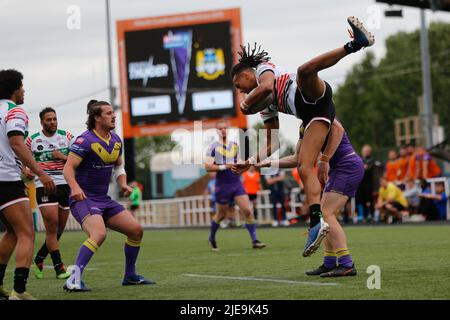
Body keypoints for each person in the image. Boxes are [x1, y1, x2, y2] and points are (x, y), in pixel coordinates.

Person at [232, 16, 374, 256]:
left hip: (311, 97)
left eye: (239, 84)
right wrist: (252, 160)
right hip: (313, 116)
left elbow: (266, 87)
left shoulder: (263, 68)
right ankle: (316, 221)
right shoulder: (267, 108)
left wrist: (246, 105)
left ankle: (354, 45)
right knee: (304, 166)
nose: (241, 90)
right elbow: (272, 142)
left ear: (247, 74)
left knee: (304, 71)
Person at [63, 100, 154, 292]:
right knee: (99, 234)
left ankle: (130, 276)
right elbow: (68, 168)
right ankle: (73, 279)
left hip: (103, 199)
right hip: (84, 198)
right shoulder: (84, 140)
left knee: (136, 230)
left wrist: (123, 184)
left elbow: (119, 166)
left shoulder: (116, 140)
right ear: (96, 117)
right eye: (108, 113)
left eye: (113, 112)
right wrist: (74, 187)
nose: (113, 116)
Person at [255, 118, 363, 276]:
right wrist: (268, 163)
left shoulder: (321, 113)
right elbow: (297, 158)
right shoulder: (304, 125)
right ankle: (329, 263)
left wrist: (325, 159)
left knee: (326, 213)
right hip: (340, 168)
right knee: (323, 215)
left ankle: (346, 263)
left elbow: (338, 130)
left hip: (347, 166)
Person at [0, 69, 56, 300]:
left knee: (12, 232)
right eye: (22, 86)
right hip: (6, 181)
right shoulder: (15, 111)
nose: (24, 91)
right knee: (27, 233)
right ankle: (19, 291)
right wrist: (41, 173)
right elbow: (16, 142)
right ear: (14, 89)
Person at [23, 107, 74, 280]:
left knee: (59, 230)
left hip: (65, 185)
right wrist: (26, 170)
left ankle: (39, 258)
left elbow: (79, 159)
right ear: (42, 122)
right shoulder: (32, 140)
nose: (52, 122)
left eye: (54, 119)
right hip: (43, 185)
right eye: (48, 119)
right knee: (52, 226)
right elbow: (21, 160)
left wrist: (62, 156)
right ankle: (59, 268)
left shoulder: (67, 137)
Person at [205, 120, 266, 251]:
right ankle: (212, 237)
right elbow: (207, 167)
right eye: (220, 128)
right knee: (221, 215)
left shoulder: (234, 145)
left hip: (236, 183)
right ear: (216, 131)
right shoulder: (212, 147)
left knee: (247, 210)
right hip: (222, 185)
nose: (223, 130)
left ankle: (255, 240)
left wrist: (244, 165)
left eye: (225, 128)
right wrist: (224, 166)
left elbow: (238, 162)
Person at [355, 144, 376, 222]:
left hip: (369, 184)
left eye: (367, 151)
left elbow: (367, 168)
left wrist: (362, 167)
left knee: (369, 200)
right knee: (361, 200)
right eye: (364, 151)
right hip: (360, 184)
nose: (365, 152)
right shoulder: (360, 159)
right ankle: (362, 215)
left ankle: (371, 215)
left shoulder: (372, 160)